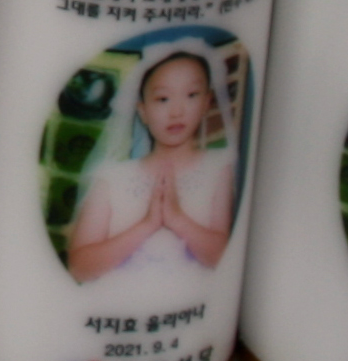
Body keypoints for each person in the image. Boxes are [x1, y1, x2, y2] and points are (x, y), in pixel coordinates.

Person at [65, 44, 240, 282]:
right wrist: (147, 224)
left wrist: (177, 219)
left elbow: (224, 259)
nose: (176, 112)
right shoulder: (112, 177)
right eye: (163, 99)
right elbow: (79, 267)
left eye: (191, 95)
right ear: (143, 111)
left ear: (207, 102)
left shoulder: (220, 167)